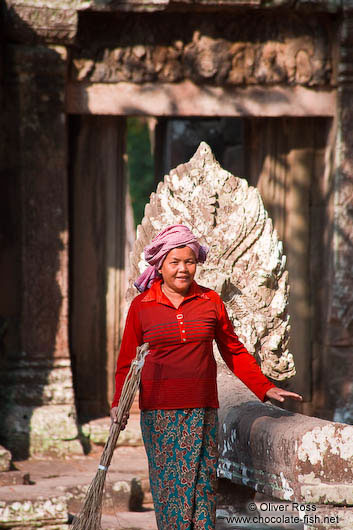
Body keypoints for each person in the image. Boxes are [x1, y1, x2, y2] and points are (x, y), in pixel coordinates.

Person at [111, 224, 302, 530]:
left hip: (202, 410)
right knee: (170, 490)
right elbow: (126, 363)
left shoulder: (210, 301)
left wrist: (264, 388)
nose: (183, 269)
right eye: (175, 262)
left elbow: (234, 351)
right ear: (161, 265)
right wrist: (118, 405)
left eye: (190, 262)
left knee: (202, 487)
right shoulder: (142, 307)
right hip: (159, 415)